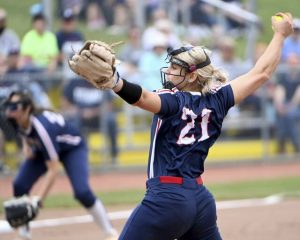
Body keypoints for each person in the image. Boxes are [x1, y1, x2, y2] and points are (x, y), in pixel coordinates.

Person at [69, 12, 293, 240]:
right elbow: (262, 72)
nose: (168, 71)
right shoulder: (220, 99)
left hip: (166, 199)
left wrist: (116, 83)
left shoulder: (174, 99)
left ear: (192, 75)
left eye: (175, 68)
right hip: (200, 200)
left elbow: (144, 98)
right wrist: (280, 35)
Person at [3, 91, 118, 240]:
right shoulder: (16, 120)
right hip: (44, 147)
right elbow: (24, 131)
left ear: (26, 109)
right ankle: (24, 234)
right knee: (19, 185)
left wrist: (38, 199)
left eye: (14, 107)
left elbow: (53, 169)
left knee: (82, 192)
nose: (10, 111)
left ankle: (109, 232)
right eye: (9, 107)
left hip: (71, 148)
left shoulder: (41, 126)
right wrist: (26, 145)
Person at [274, 53, 300, 153]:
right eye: (290, 62)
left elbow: (297, 97)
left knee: (289, 115)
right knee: (281, 115)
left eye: (295, 62)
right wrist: (280, 105)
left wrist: (289, 107)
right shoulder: (284, 77)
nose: (293, 65)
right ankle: (289, 145)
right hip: (287, 105)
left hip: (296, 106)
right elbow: (280, 91)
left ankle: (290, 144)